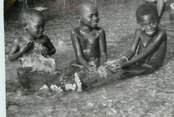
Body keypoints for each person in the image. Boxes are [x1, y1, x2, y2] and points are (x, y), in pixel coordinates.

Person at [57, 2, 108, 91]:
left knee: (87, 83)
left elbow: (103, 54)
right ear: (80, 18)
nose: (95, 18)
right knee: (62, 78)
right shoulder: (75, 32)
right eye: (91, 16)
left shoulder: (100, 32)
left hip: (95, 63)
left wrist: (101, 66)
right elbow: (79, 56)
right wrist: (89, 68)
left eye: (96, 15)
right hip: (80, 64)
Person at [109, 3, 167, 77]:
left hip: (151, 67)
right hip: (138, 63)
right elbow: (131, 51)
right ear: (139, 24)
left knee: (122, 75)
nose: (149, 27)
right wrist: (122, 60)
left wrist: (124, 64)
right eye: (144, 25)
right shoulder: (139, 31)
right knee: (113, 70)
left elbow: (144, 54)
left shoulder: (161, 34)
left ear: (158, 19)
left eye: (153, 23)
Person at [8, 8, 56, 92]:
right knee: (24, 80)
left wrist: (47, 52)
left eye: (43, 26)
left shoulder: (44, 39)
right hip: (27, 70)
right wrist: (22, 51)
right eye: (38, 27)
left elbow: (53, 50)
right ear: (26, 27)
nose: (42, 29)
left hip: (43, 68)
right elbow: (10, 57)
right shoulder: (19, 41)